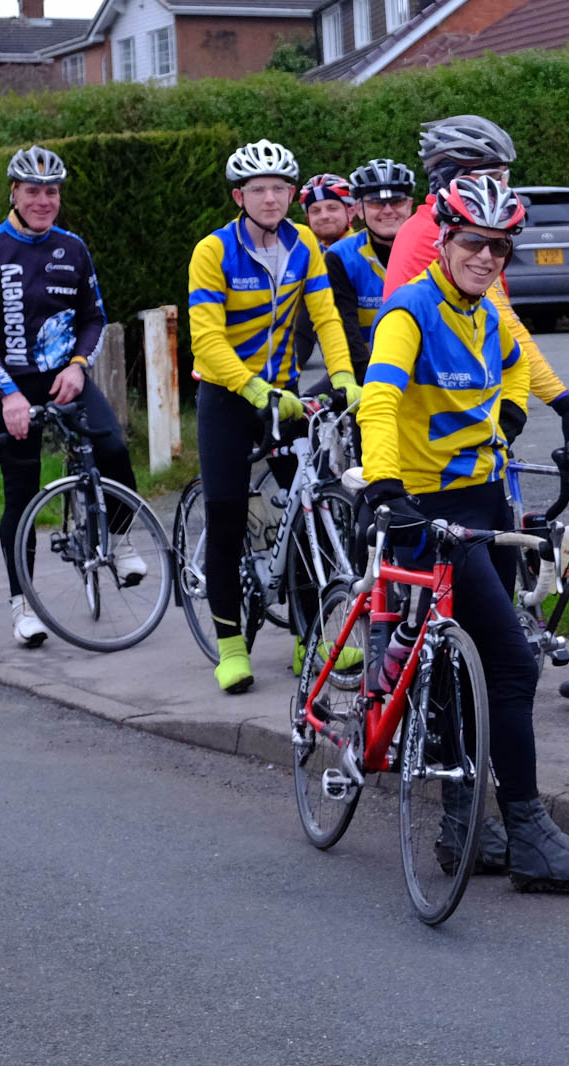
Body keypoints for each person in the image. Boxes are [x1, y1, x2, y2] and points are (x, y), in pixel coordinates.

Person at [356, 175, 569, 892]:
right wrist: (385, 487)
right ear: (442, 239)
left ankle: (462, 830)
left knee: (461, 665)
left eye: (500, 246)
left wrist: (560, 409)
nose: (486, 256)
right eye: (474, 241)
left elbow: (520, 358)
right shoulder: (407, 312)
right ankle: (529, 832)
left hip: (484, 501)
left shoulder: (485, 310)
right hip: (425, 509)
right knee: (512, 663)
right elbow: (379, 401)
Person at [187, 139, 360, 694]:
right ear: (239, 196)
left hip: (282, 394)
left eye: (279, 189)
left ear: (291, 193)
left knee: (312, 507)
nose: (269, 198)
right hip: (227, 395)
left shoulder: (304, 242)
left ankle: (313, 637)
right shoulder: (213, 252)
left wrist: (343, 378)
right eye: (257, 189)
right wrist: (253, 388)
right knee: (229, 511)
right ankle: (231, 646)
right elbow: (207, 339)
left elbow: (327, 318)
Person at [0, 145, 142, 647]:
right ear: (14, 193)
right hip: (11, 385)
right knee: (21, 496)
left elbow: (94, 317)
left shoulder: (74, 248)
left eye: (52, 191)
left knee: (113, 448)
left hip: (68, 377)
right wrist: (9, 395)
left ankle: (121, 538)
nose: (44, 200)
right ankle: (22, 604)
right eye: (33, 191)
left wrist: (80, 366)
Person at [384, 116, 569, 464]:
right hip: (440, 427)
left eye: (504, 177)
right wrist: (564, 404)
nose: (503, 188)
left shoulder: (450, 229)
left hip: (459, 409)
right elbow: (509, 327)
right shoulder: (443, 235)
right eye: (494, 178)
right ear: (452, 178)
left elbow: (501, 336)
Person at [326, 158, 416, 373]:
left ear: (410, 205)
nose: (387, 210)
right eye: (375, 203)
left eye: (396, 201)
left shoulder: (433, 251)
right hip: (367, 370)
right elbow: (346, 327)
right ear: (358, 209)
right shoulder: (340, 256)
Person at [299, 173, 355, 248]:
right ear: (308, 217)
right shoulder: (307, 256)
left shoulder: (368, 254)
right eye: (315, 211)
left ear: (350, 212)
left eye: (332, 208)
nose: (324, 216)